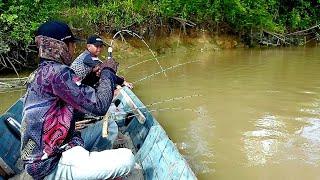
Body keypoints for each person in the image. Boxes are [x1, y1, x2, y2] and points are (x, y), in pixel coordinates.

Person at [20, 21, 135, 179]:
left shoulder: (39, 74)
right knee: (127, 158)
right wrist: (108, 71)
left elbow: (72, 104)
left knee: (111, 128)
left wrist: (91, 80)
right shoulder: (57, 73)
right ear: (61, 46)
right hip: (50, 164)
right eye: (72, 44)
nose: (74, 49)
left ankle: (90, 169)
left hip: (56, 148)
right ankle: (90, 170)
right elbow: (100, 106)